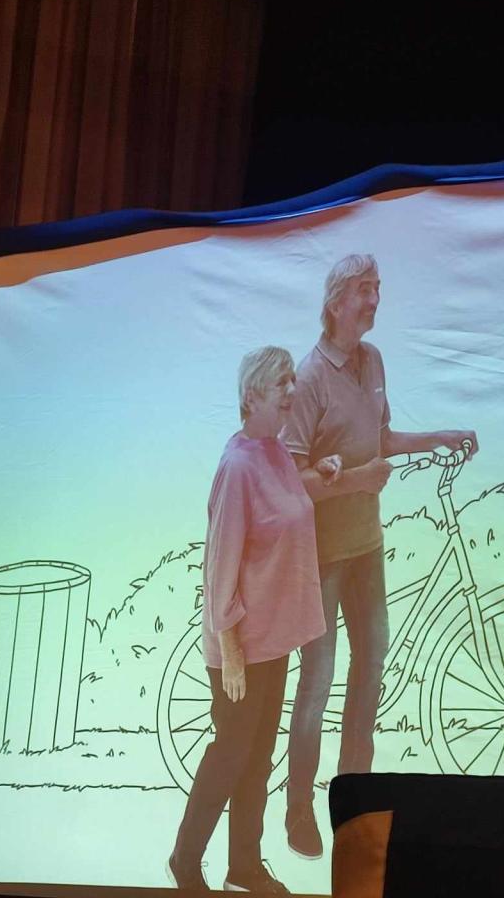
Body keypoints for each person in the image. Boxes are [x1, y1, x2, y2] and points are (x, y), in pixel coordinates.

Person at [281, 253, 478, 859]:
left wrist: (437, 436)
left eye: (378, 288)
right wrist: (356, 480)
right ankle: (297, 810)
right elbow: (291, 480)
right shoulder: (310, 377)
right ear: (337, 301)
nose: (374, 299)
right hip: (322, 557)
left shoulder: (374, 362)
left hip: (367, 547)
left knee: (370, 671)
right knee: (317, 683)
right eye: (365, 290)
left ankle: (355, 802)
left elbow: (381, 439)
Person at [168, 346, 342, 894]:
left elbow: (286, 502)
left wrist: (322, 473)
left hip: (273, 640)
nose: (292, 389)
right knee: (230, 753)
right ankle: (184, 859)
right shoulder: (238, 465)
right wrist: (232, 653)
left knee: (259, 756)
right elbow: (219, 564)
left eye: (292, 379)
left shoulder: (274, 451)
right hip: (241, 645)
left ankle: (243, 866)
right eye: (281, 382)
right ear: (252, 396)